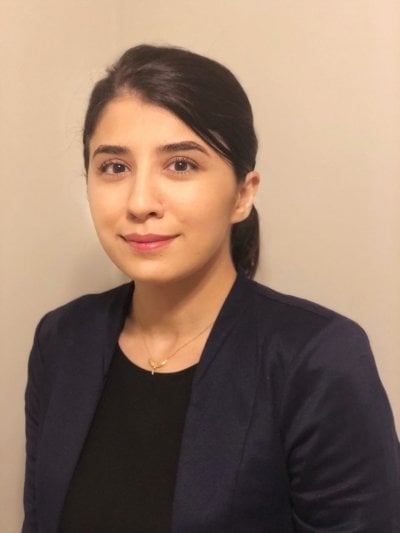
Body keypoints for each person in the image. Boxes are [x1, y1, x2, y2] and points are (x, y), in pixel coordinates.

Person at [23, 44, 400, 533]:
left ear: (243, 194)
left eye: (180, 165)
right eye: (114, 167)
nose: (140, 202)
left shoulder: (318, 357)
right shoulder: (62, 338)